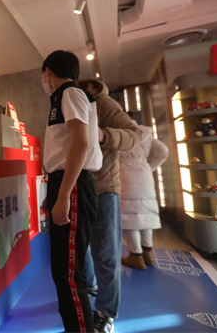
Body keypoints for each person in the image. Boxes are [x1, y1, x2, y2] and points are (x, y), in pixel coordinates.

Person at [42, 51, 102, 333]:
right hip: (67, 183)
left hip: (73, 185)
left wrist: (64, 194)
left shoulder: (70, 93)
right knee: (63, 271)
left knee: (69, 275)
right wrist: (56, 192)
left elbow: (81, 143)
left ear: (48, 72)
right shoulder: (63, 97)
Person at [78, 78, 144, 333]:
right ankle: (91, 288)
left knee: (105, 253)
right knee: (83, 248)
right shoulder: (66, 104)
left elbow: (135, 134)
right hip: (78, 188)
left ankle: (106, 313)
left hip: (104, 188)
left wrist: (104, 134)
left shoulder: (102, 103)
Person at [120, 118, 169, 269]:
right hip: (144, 174)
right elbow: (163, 151)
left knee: (129, 215)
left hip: (123, 174)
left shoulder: (119, 132)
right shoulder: (144, 133)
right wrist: (149, 166)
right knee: (146, 213)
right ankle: (147, 252)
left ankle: (135, 255)